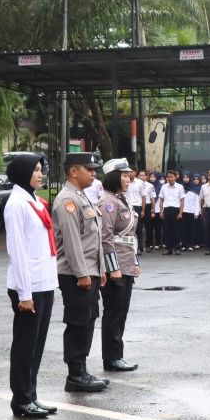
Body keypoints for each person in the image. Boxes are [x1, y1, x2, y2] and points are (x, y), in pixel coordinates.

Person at [3, 153, 59, 418]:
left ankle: (31, 394)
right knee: (25, 345)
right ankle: (22, 398)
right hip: (28, 287)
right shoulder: (17, 204)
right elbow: (18, 252)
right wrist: (25, 294)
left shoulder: (34, 201)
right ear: (23, 173)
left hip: (42, 283)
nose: (40, 174)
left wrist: (51, 285)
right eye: (35, 170)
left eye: (41, 170)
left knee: (37, 344)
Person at [51, 151, 108, 392]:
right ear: (74, 171)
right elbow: (73, 242)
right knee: (77, 322)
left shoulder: (82, 197)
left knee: (88, 319)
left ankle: (81, 369)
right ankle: (75, 373)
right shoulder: (67, 200)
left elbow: (93, 237)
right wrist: (82, 273)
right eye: (89, 169)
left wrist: (100, 269)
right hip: (76, 274)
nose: (94, 173)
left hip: (89, 271)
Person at [97, 158, 142, 373]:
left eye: (128, 175)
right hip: (115, 267)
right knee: (113, 313)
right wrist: (112, 268)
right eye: (124, 176)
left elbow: (129, 237)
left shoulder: (121, 199)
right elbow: (106, 237)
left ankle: (117, 355)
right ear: (114, 177)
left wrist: (134, 262)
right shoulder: (108, 202)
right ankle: (112, 358)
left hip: (126, 265)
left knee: (121, 312)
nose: (128, 179)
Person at [158, 170, 184, 255]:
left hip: (176, 210)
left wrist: (180, 213)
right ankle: (168, 248)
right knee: (167, 230)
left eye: (171, 177)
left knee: (176, 230)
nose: (169, 178)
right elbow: (161, 200)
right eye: (168, 177)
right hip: (167, 210)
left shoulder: (180, 187)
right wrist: (161, 211)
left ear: (175, 177)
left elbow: (182, 200)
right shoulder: (164, 187)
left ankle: (177, 248)